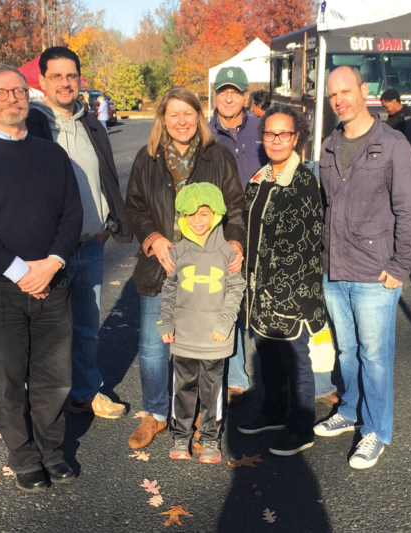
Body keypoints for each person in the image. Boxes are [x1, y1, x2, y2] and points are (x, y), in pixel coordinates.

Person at [0, 62, 83, 492]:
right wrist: (24, 272)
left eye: (19, 91)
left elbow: (72, 216)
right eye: (1, 92)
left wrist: (52, 263)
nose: (12, 99)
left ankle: (52, 451)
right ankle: (24, 457)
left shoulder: (52, 155)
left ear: (29, 97)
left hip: (52, 282)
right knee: (8, 379)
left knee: (54, 376)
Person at [125, 86, 246, 450]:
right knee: (153, 346)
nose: (181, 121)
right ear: (163, 119)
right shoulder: (147, 158)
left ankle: (201, 418)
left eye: (188, 114)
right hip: (161, 266)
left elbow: (235, 206)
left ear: (199, 116)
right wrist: (152, 238)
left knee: (203, 348)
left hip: (207, 270)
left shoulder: (217, 156)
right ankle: (157, 414)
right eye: (173, 114)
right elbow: (134, 207)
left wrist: (235, 242)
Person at [314, 66, 411, 469]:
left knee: (375, 355)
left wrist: (402, 263)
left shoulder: (392, 144)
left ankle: (376, 430)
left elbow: (409, 209)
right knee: (347, 349)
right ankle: (351, 409)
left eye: (345, 91)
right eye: (332, 95)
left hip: (376, 272)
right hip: (335, 269)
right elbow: (326, 206)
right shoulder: (329, 146)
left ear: (363, 91)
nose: (339, 100)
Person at [26, 46, 132, 421]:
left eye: (71, 75)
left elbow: (107, 177)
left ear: (79, 80)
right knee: (46, 331)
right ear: (43, 81)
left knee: (87, 328)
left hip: (90, 245)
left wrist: (108, 224)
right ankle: (43, 405)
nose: (65, 82)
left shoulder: (91, 124)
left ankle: (85, 392)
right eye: (56, 76)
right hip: (48, 250)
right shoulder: (32, 126)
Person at [236, 104, 326, 457]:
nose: (276, 140)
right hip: (259, 290)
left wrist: (277, 290)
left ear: (296, 137)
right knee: (268, 356)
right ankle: (273, 412)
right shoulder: (260, 179)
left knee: (295, 360)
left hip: (290, 293)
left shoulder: (303, 182)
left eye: (283, 133)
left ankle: (301, 427)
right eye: (270, 133)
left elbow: (303, 245)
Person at [158, 183, 246, 464]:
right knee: (182, 388)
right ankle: (180, 436)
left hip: (214, 338)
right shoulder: (177, 252)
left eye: (204, 214)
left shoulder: (228, 253)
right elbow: (169, 289)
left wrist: (224, 324)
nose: (197, 221)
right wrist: (166, 323)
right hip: (184, 337)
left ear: (216, 214)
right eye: (191, 214)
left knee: (212, 390)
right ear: (182, 217)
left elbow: (236, 289)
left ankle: (210, 439)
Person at [208, 66, 268, 405]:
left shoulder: (263, 128)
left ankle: (271, 374)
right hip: (222, 231)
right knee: (227, 303)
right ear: (215, 95)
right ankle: (235, 378)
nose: (228, 98)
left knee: (263, 302)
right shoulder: (204, 133)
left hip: (261, 228)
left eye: (235, 91)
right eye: (223, 91)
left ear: (246, 95)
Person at [380, 89, 411, 176]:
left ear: (394, 101)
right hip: (396, 163)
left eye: (385, 106)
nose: (385, 110)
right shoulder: (393, 116)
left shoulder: (410, 118)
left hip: (410, 165)